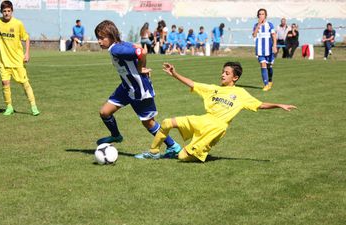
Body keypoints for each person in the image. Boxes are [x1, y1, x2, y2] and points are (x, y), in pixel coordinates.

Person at [135, 62, 296, 161]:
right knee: (166, 122)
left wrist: (279, 105)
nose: (222, 75)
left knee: (182, 157)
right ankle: (153, 152)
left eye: (227, 73)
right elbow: (193, 84)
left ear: (235, 78)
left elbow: (260, 105)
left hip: (216, 128)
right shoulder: (213, 89)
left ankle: (181, 152)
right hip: (204, 119)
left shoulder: (241, 94)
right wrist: (174, 73)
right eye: (223, 72)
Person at [94, 20, 181, 157]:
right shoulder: (120, 45)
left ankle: (173, 146)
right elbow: (139, 48)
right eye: (97, 38)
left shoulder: (117, 49)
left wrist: (141, 68)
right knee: (105, 112)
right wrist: (142, 67)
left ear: (111, 36)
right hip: (126, 87)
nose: (99, 41)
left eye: (102, 38)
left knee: (148, 123)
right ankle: (116, 136)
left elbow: (141, 51)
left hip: (139, 89)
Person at [0, 1, 40, 116]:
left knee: (25, 84)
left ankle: (33, 106)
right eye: (4, 11)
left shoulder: (18, 24)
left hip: (17, 60)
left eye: (9, 11)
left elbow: (27, 38)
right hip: (3, 61)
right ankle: (9, 107)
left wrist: (27, 53)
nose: (6, 13)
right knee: (5, 83)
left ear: (12, 11)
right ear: (1, 11)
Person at [252, 8, 277, 91]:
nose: (261, 15)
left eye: (262, 14)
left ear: (265, 15)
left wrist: (274, 45)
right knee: (263, 64)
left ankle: (270, 80)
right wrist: (258, 25)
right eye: (259, 14)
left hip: (269, 49)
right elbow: (254, 35)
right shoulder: (256, 25)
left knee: (269, 66)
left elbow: (273, 35)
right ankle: (266, 84)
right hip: (259, 49)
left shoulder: (270, 24)